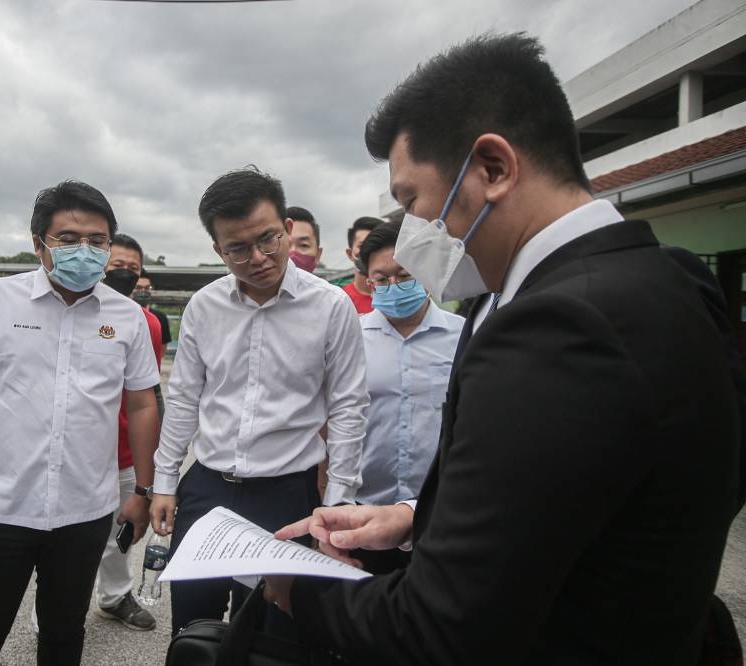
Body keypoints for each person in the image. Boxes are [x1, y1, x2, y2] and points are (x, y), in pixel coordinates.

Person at [265, 33, 741, 664]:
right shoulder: (675, 279)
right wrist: (418, 517)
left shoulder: (556, 329)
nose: (409, 238)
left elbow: (442, 629)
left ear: (492, 168)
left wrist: (296, 589)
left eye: (412, 202)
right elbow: (597, 499)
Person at [0, 180, 161, 665]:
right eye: (68, 239)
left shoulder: (128, 317)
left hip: (86, 511)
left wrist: (142, 492)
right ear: (39, 243)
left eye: (98, 241)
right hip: (1, 509)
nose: (85, 250)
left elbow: (142, 404)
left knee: (63, 638)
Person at [149, 167, 369, 637]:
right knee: (193, 627)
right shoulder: (204, 308)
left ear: (288, 228)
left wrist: (337, 505)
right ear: (217, 249)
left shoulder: (331, 307)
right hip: (208, 488)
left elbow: (348, 410)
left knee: (274, 631)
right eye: (238, 248)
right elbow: (184, 398)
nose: (258, 257)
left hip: (288, 494)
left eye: (268, 239)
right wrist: (165, 482)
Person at [28, 232, 163, 634]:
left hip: (123, 452)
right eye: (116, 265)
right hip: (71, 452)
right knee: (58, 534)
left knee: (119, 534)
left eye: (133, 270)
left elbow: (146, 397)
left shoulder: (146, 322)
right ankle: (49, 603)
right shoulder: (54, 313)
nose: (123, 273)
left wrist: (148, 475)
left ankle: (115, 596)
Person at [351, 222, 463, 574]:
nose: (393, 286)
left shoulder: (462, 336)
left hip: (439, 512)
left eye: (404, 275)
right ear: (370, 282)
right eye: (381, 279)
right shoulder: (350, 337)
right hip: (364, 511)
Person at [341, 216, 384, 314]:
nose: (369, 251)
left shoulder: (399, 296)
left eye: (378, 245)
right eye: (362, 246)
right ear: (349, 253)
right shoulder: (340, 299)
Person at [133, 270, 172, 349]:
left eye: (147, 288)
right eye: (138, 287)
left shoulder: (160, 317)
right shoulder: (122, 315)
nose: (143, 291)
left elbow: (162, 346)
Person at [285, 205, 322, 273]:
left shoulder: (324, 284)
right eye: (285, 245)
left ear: (318, 255)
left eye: (303, 245)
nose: (293, 254)